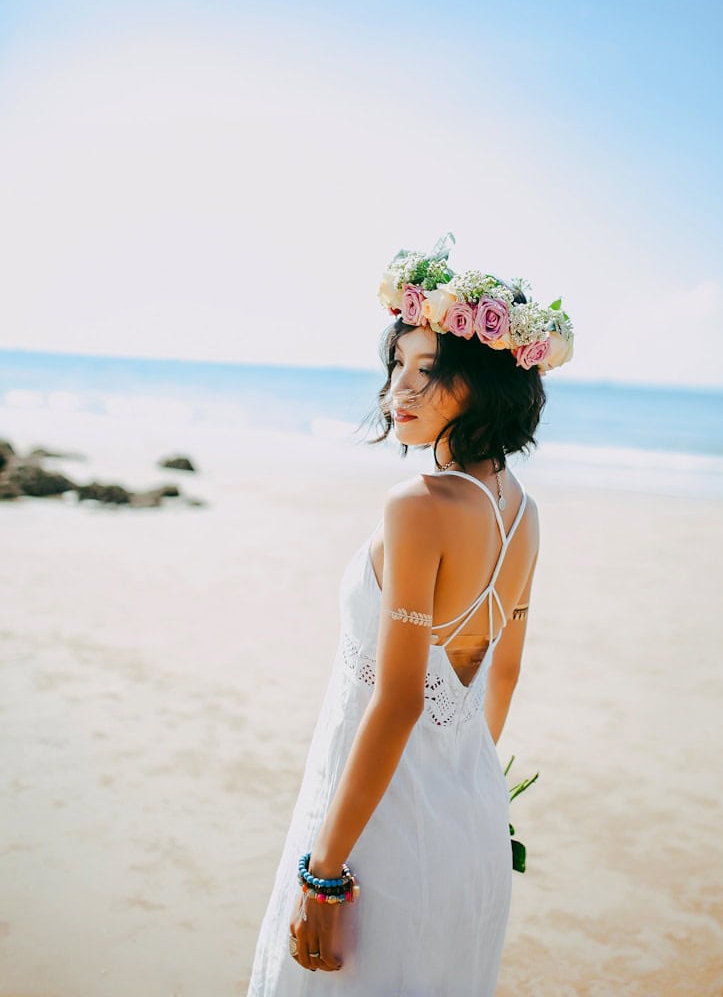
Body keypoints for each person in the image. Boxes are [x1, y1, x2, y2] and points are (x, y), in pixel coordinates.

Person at [246, 234, 574, 996]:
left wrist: (324, 875)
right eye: (397, 365)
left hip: (381, 839)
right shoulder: (522, 515)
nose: (401, 390)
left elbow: (397, 700)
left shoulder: (419, 505)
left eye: (430, 371)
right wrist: (456, 785)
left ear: (485, 381)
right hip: (468, 830)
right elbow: (504, 672)